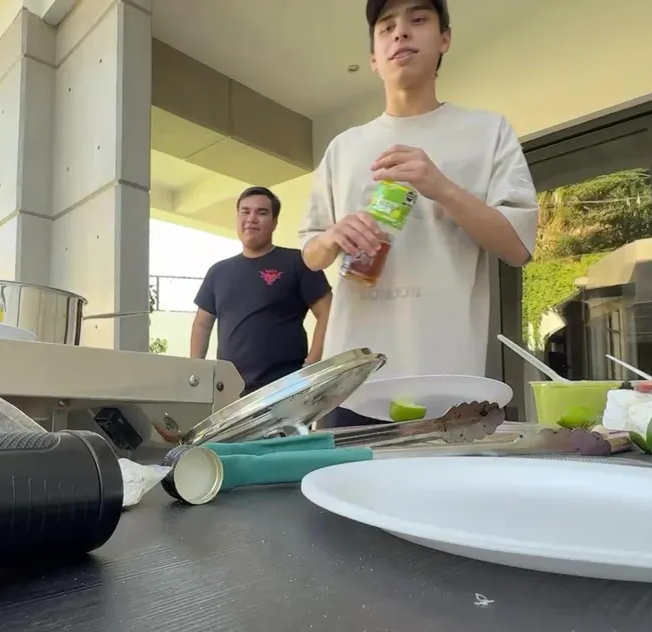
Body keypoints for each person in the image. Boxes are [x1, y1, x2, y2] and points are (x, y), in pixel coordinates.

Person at [300, 0, 539, 428]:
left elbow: (518, 247)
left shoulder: (487, 132)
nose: (400, 32)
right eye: (386, 26)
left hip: (448, 384)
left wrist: (441, 187)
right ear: (374, 58)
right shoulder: (343, 147)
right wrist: (333, 236)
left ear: (444, 38)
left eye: (418, 19)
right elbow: (311, 254)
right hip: (350, 383)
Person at [191, 187, 333, 396]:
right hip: (230, 391)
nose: (251, 218)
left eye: (262, 212)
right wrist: (196, 375)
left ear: (274, 223)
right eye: (245, 211)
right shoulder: (218, 272)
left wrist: (311, 365)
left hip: (285, 389)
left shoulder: (298, 262)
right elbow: (202, 325)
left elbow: (328, 312)